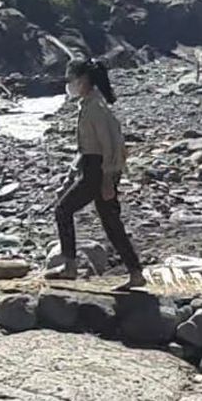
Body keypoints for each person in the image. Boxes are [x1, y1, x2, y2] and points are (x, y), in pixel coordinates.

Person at [48, 58, 147, 292]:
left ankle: (70, 265)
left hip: (99, 170)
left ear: (83, 81)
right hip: (93, 167)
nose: (69, 84)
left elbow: (110, 146)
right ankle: (135, 272)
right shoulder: (88, 105)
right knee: (111, 222)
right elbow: (86, 149)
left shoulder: (96, 109)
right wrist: (69, 178)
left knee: (63, 210)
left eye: (71, 80)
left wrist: (108, 180)